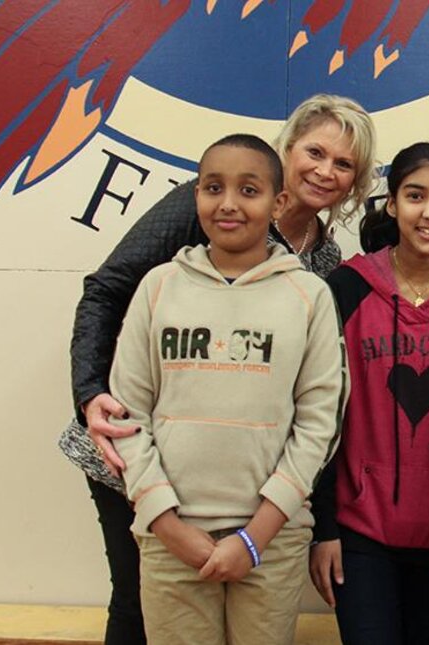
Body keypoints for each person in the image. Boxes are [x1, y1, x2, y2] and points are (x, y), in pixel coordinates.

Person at [58, 94, 376, 644]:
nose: (325, 171)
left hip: (255, 501)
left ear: (355, 182)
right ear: (289, 149)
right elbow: (106, 291)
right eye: (316, 152)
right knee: (137, 610)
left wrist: (268, 528)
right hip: (133, 457)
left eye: (343, 164)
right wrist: (91, 394)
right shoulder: (203, 208)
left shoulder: (323, 270)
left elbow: (318, 408)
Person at [109, 134, 347, 644]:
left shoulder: (309, 297)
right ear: (196, 196)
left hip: (271, 541)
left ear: (279, 202)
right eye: (213, 188)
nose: (229, 204)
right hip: (168, 537)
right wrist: (170, 527)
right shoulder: (158, 288)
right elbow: (126, 414)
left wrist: (255, 536)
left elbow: (319, 423)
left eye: (249, 189)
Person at [309, 141, 429, 644]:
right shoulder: (345, 291)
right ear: (392, 204)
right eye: (416, 196)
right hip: (359, 533)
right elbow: (321, 419)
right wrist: (323, 529)